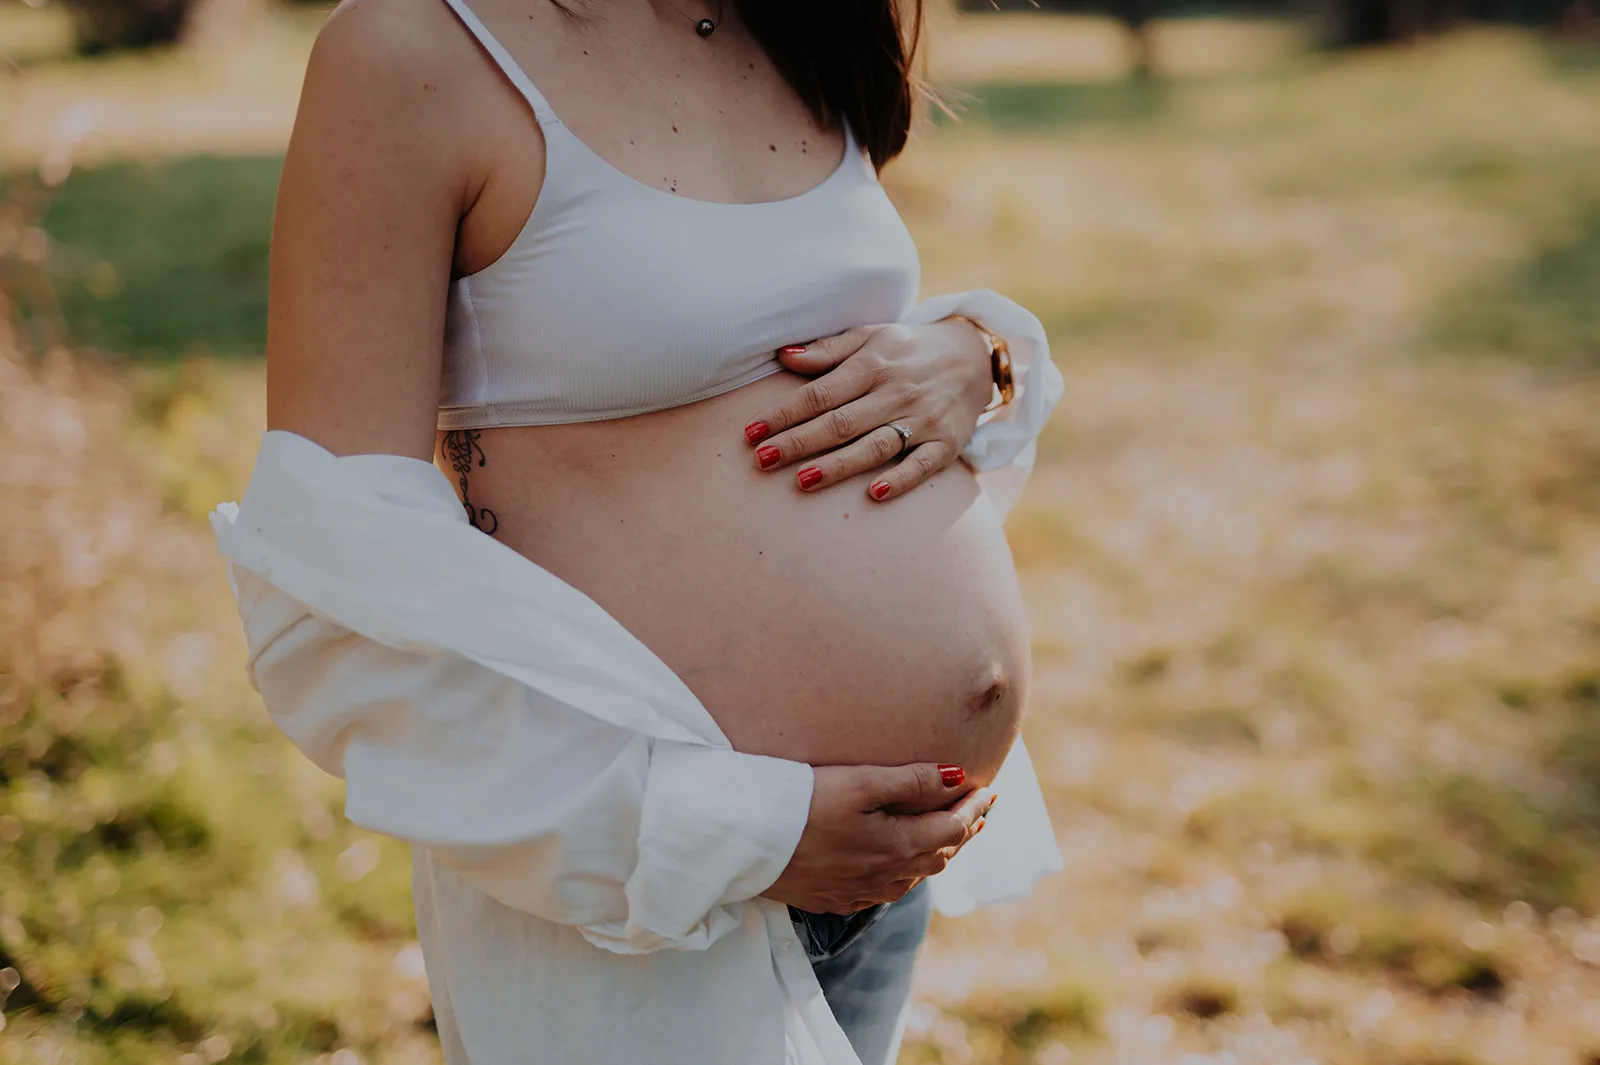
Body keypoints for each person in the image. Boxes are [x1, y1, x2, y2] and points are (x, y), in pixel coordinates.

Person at [211, 0, 1065, 1062]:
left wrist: (974, 355)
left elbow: (769, 319)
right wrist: (739, 833)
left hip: (885, 869)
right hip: (640, 885)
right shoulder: (412, 50)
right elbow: (331, 570)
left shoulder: (793, 22)